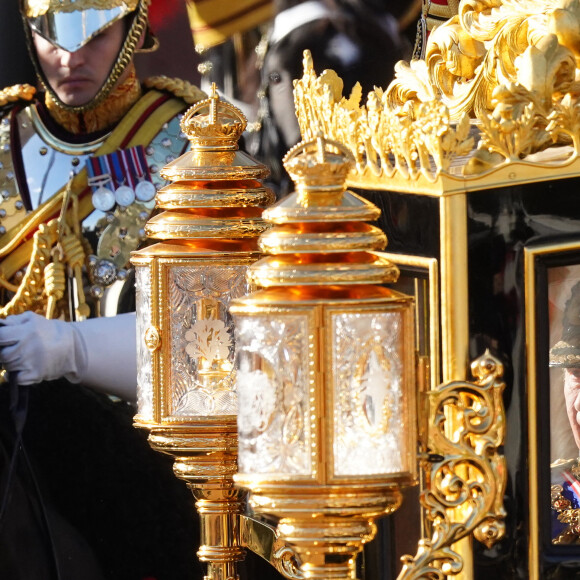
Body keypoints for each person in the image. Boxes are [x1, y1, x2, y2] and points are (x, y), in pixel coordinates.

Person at [0, 1, 206, 578]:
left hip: (152, 445)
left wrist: (73, 350)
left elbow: (211, 344)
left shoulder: (190, 140)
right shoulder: (3, 133)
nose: (70, 56)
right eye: (51, 35)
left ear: (132, 27)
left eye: (94, 35)